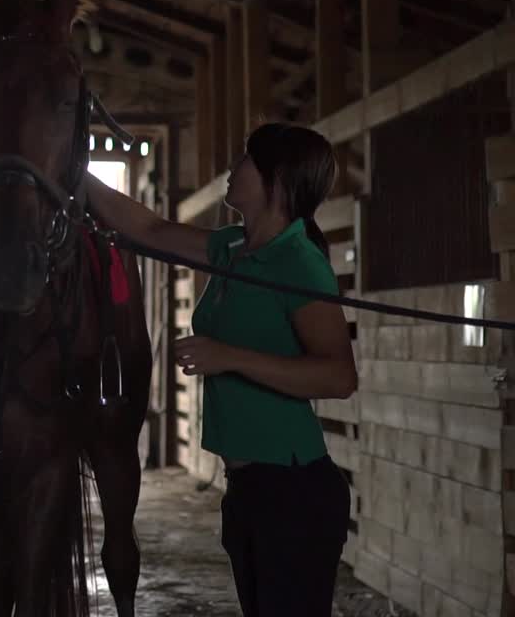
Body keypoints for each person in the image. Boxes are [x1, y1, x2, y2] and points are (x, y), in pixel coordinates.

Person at [82, 122, 358, 616]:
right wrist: (68, 171)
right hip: (248, 490)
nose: (233, 169)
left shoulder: (297, 261)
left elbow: (339, 377)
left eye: (245, 160)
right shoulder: (234, 247)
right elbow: (148, 230)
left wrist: (228, 357)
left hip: (293, 493)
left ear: (277, 179)